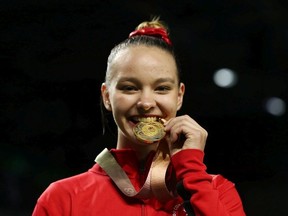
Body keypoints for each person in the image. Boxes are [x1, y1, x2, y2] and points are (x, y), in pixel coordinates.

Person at [32, 17, 246, 216]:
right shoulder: (63, 198)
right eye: (129, 88)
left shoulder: (218, 191)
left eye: (161, 88)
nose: (146, 103)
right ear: (107, 97)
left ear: (179, 96)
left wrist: (192, 172)